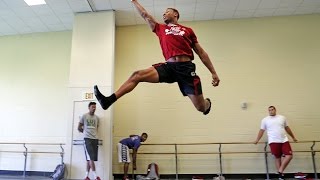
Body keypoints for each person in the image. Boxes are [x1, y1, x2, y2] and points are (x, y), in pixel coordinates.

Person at [94, 0, 220, 115]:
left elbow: (201, 52)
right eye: (163, 13)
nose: (164, 14)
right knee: (137, 75)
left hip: (186, 69)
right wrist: (134, 1)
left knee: (200, 107)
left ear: (175, 14)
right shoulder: (160, 28)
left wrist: (213, 73)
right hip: (169, 67)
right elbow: (145, 15)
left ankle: (207, 104)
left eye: (167, 12)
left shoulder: (188, 30)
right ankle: (108, 101)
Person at [254, 106, 298, 180]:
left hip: (284, 140)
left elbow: (287, 128)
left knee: (289, 155)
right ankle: (281, 176)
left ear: (275, 110)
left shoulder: (282, 118)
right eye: (269, 110)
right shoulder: (265, 120)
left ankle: (280, 171)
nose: (271, 111)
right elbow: (261, 130)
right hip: (273, 141)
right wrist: (257, 140)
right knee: (277, 158)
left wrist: (293, 137)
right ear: (268, 111)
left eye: (272, 110)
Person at [78, 102, 101, 180]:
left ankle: (86, 176)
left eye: (95, 107)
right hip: (87, 139)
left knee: (89, 159)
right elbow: (79, 127)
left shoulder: (97, 118)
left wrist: (94, 135)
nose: (94, 108)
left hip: (95, 139)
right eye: (92, 107)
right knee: (91, 157)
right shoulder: (84, 116)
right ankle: (95, 177)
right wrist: (84, 132)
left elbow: (96, 128)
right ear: (89, 107)